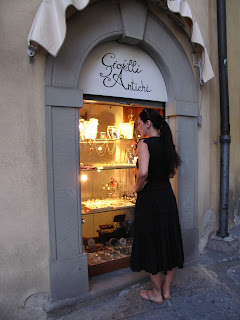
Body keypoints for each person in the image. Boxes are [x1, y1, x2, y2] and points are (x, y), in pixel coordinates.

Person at [130, 108, 184, 304]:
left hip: (150, 199)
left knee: (152, 242)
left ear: (148, 124)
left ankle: (156, 294)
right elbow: (172, 173)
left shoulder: (144, 143)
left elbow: (143, 171)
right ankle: (167, 291)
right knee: (168, 241)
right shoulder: (167, 142)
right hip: (167, 198)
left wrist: (136, 187)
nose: (138, 127)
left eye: (139, 123)